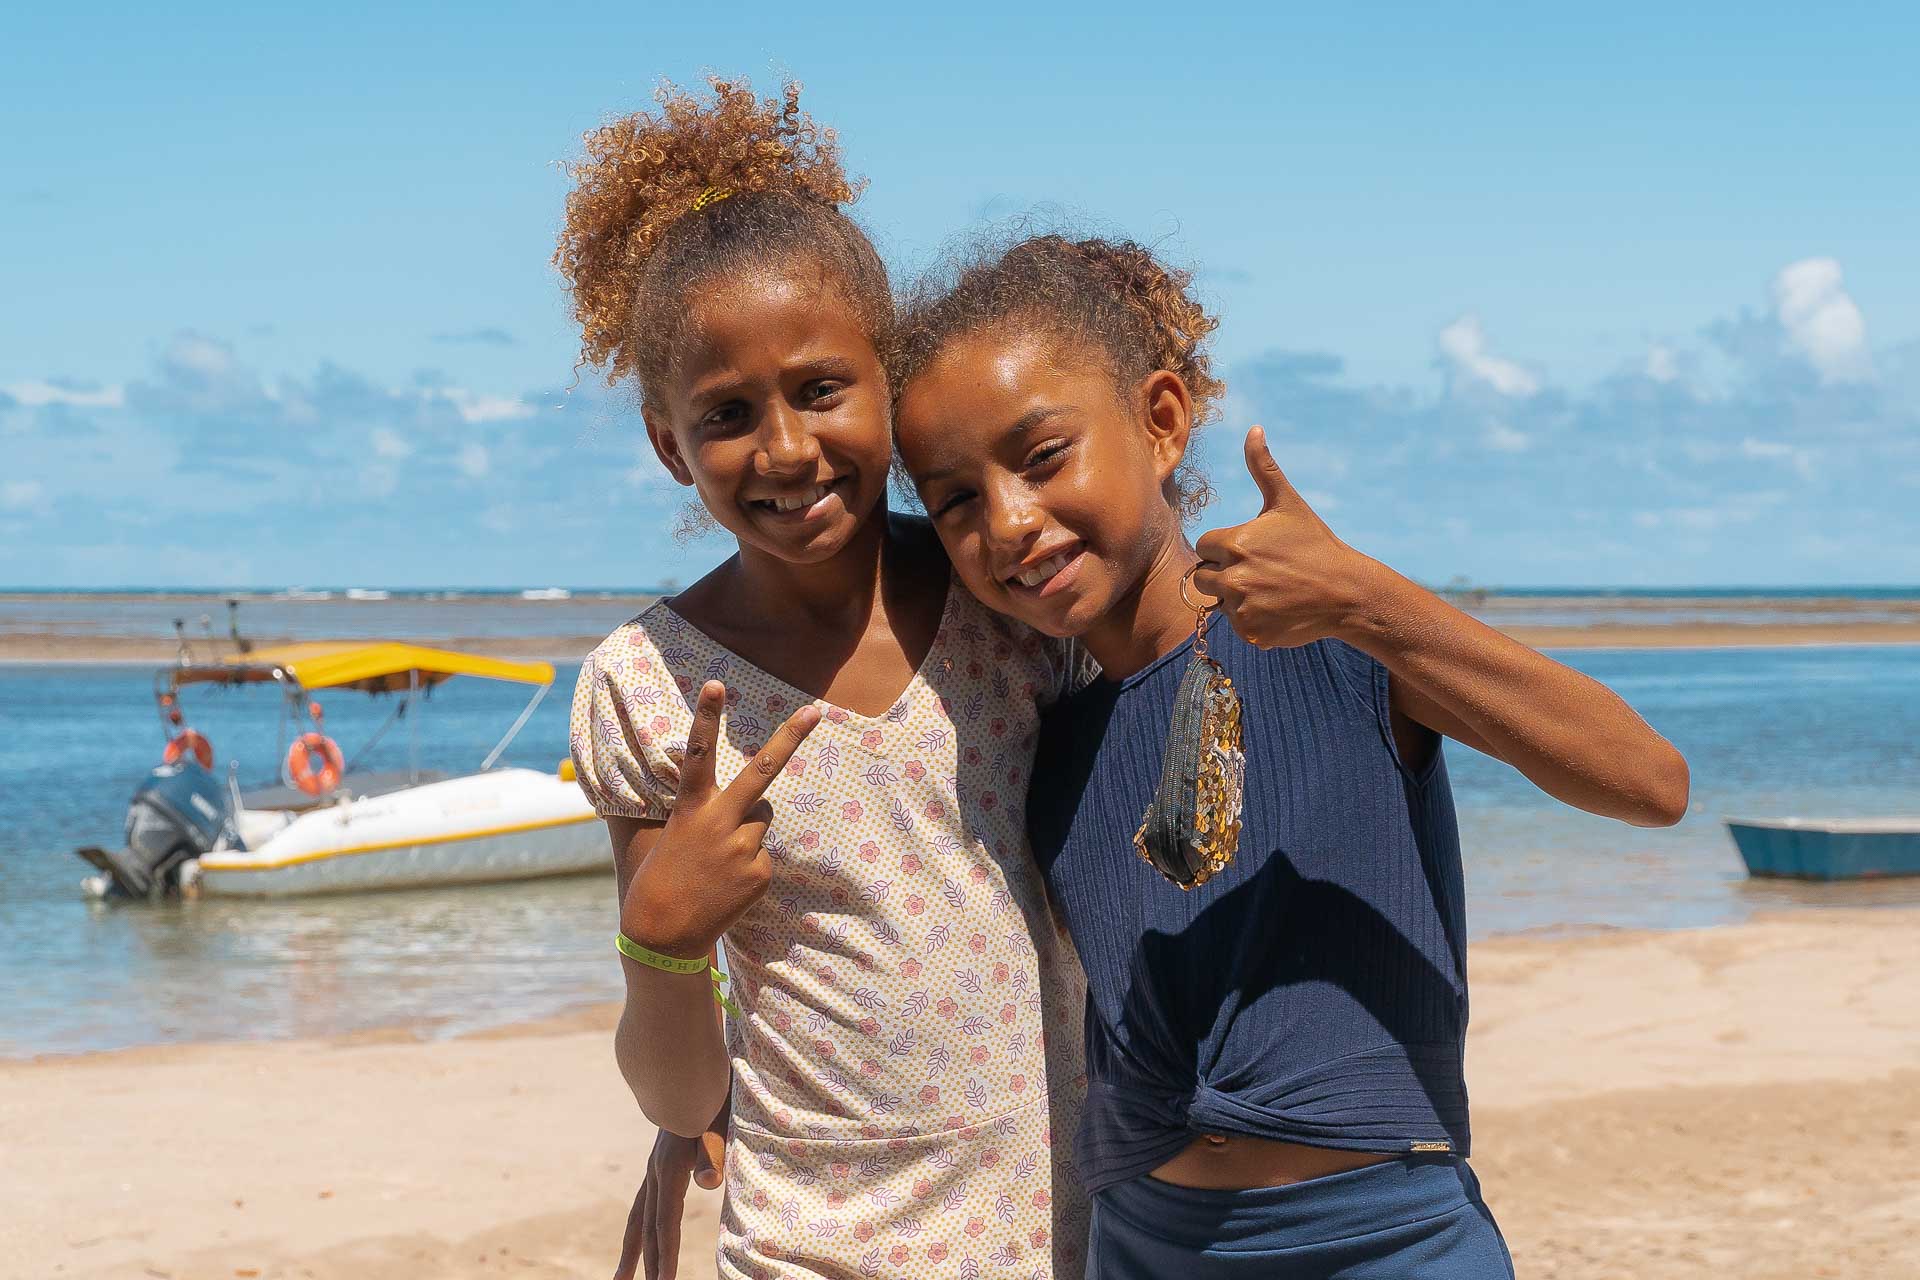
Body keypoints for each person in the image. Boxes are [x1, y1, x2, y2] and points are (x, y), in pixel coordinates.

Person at [889, 232, 1690, 1277]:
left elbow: (1647, 780)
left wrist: (1368, 599)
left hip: (1389, 1238)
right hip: (1143, 1242)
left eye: (1044, 458)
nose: (1011, 519)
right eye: (956, 499)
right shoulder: (1056, 747)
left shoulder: (1342, 643)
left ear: (1162, 420)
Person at [556, 80, 1093, 1279]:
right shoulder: (648, 688)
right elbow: (682, 1092)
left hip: (1060, 1228)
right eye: (729, 413)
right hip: (814, 1248)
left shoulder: (1008, 607)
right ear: (667, 442)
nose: (787, 448)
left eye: (820, 389)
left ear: (889, 383)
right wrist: (662, 934)